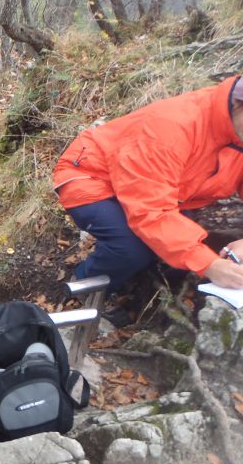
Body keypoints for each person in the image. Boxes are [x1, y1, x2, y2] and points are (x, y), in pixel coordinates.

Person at [53, 75, 243, 304]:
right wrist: (210, 265)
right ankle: (83, 288)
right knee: (131, 248)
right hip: (94, 177)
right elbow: (150, 211)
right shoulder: (174, 126)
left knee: (172, 242)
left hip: (160, 190)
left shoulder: (237, 128)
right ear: (237, 104)